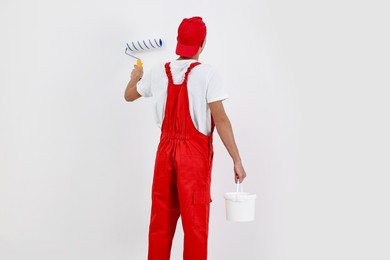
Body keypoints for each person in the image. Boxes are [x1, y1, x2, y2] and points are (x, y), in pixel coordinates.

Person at [124, 16, 246, 260]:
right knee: (195, 228)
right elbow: (221, 120)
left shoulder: (158, 71)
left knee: (160, 225)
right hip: (193, 158)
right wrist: (237, 159)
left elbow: (129, 95)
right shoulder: (208, 75)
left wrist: (136, 75)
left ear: (179, 42)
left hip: (165, 154)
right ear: (202, 44)